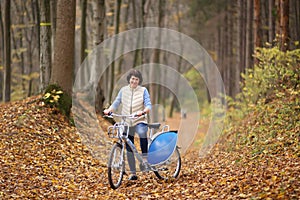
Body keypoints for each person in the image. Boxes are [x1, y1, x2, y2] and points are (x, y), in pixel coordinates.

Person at [104, 69, 152, 180]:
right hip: (126, 121)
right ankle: (133, 173)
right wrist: (109, 110)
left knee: (141, 132)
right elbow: (116, 102)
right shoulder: (123, 90)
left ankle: (145, 160)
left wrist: (143, 111)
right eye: (132, 79)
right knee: (129, 145)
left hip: (139, 119)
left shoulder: (143, 90)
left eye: (136, 79)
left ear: (139, 81)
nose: (134, 81)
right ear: (129, 79)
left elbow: (148, 105)